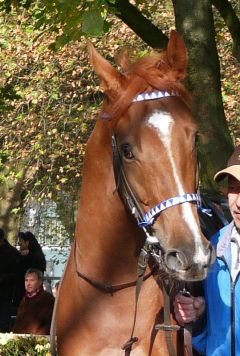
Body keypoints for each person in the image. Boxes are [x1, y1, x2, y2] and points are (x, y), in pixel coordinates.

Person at [174, 145, 240, 355]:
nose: (238, 203)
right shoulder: (213, 245)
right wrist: (199, 315)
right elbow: (210, 335)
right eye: (233, 188)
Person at [12, 268, 55, 335]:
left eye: (32, 280)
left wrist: (35, 338)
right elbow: (18, 323)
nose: (28, 283)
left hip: (37, 340)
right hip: (20, 339)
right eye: (26, 280)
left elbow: (49, 324)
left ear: (40, 282)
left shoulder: (47, 299)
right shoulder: (24, 299)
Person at [16, 231, 47, 304]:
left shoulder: (29, 257)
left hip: (28, 293)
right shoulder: (37, 255)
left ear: (27, 243)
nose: (19, 243)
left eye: (21, 241)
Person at [0, 228, 21, 332]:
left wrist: (3, 277)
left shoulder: (12, 253)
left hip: (6, 292)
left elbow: (16, 274)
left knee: (3, 319)